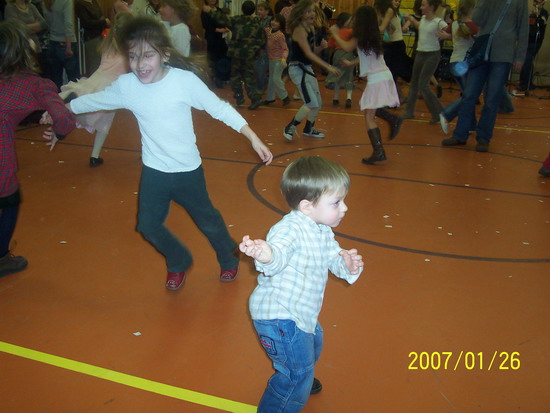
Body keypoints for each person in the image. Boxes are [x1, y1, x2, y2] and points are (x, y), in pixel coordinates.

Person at [68, 16, 273, 290]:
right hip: (155, 172)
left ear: (164, 55)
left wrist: (252, 136)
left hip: (188, 171)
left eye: (148, 56)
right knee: (147, 225)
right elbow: (93, 100)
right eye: (133, 57)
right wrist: (60, 110)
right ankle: (179, 259)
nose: (140, 64)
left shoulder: (183, 82)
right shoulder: (127, 86)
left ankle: (228, 256)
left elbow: (220, 108)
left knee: (208, 222)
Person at [240, 155, 363, 413]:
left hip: (301, 311)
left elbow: (332, 255)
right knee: (295, 377)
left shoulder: (321, 228)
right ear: (307, 206)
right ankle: (297, 379)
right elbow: (278, 254)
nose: (345, 208)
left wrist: (347, 265)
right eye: (337, 202)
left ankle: (302, 372)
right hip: (280, 317)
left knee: (315, 340)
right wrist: (266, 255)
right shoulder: (290, 229)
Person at [0, 20, 75, 277]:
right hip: (1, 162)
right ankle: (1, 258)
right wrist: (58, 131)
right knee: (9, 201)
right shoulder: (32, 84)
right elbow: (64, 118)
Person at [46, 12, 132, 167]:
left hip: (96, 79)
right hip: (111, 87)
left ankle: (63, 107)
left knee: (83, 97)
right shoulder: (129, 50)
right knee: (103, 122)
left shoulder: (108, 44)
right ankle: (94, 156)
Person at [441, 0, 528, 152]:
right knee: (469, 95)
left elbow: (523, 28)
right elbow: (477, 19)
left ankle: (483, 138)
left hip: (503, 54)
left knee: (492, 98)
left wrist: (520, 56)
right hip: (481, 52)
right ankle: (460, 135)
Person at [330, 5, 402, 164]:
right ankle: (392, 121)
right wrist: (352, 63)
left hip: (377, 78)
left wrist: (335, 33)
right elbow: (366, 56)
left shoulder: (360, 36)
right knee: (371, 109)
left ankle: (379, 151)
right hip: (383, 75)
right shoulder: (372, 35)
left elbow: (346, 46)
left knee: (369, 115)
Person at [283, 0, 340, 141]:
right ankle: (290, 126)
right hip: (297, 69)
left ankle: (308, 128)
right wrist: (328, 66)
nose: (312, 14)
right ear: (301, 14)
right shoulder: (299, 30)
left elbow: (310, 52)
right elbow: (308, 54)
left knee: (317, 103)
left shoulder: (311, 28)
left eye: (313, 11)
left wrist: (320, 48)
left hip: (306, 68)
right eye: (308, 11)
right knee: (310, 102)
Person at [206, 0, 266, 109]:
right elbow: (262, 40)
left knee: (235, 77)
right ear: (253, 11)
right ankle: (256, 99)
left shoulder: (237, 20)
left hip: (236, 54)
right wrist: (257, 50)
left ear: (242, 9)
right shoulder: (257, 23)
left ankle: (239, 97)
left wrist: (210, 11)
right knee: (249, 77)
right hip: (250, 55)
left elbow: (222, 19)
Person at [400, 0, 447, 124]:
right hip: (420, 53)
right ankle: (409, 112)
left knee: (423, 85)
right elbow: (419, 26)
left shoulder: (439, 22)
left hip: (432, 55)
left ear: (431, 7)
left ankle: (441, 112)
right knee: (414, 83)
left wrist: (446, 36)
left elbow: (450, 32)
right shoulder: (424, 19)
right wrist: (411, 19)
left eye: (423, 5)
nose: (421, 7)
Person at [438, 0, 478, 134]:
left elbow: (443, 33)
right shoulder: (472, 26)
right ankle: (447, 113)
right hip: (463, 64)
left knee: (468, 94)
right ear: (471, 9)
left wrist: (450, 36)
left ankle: (472, 125)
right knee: (470, 95)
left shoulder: (455, 23)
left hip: (454, 63)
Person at [377, 0, 413, 101]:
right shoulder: (387, 11)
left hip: (396, 46)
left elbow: (382, 29)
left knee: (398, 72)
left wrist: (368, 27)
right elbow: (391, 30)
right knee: (391, 73)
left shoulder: (390, 10)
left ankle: (396, 97)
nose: (397, 3)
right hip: (392, 45)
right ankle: (398, 96)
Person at [42, 0, 80, 90]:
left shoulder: (45, 2)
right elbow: (68, 24)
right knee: (74, 81)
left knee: (56, 81)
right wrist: (69, 47)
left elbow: (47, 23)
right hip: (67, 42)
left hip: (52, 42)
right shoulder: (67, 1)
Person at [512, 0, 547, 96]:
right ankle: (526, 83)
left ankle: (525, 84)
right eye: (534, 2)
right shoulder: (530, 14)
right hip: (528, 39)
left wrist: (538, 15)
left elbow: (542, 22)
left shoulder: (543, 12)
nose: (535, 3)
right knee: (526, 60)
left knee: (528, 60)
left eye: (537, 2)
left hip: (536, 40)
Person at [74, 0, 110, 76]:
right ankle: (94, 82)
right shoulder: (79, 4)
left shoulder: (94, 2)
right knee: (95, 65)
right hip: (91, 37)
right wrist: (103, 22)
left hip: (101, 35)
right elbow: (86, 23)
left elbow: (100, 16)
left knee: (101, 63)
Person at [326, 11, 354, 108]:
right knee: (349, 76)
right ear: (345, 21)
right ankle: (348, 98)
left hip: (337, 54)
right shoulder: (351, 31)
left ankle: (335, 98)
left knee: (337, 75)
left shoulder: (336, 32)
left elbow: (330, 45)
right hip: (349, 54)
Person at [200, 0, 229, 88]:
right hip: (211, 37)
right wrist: (218, 30)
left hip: (221, 38)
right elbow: (206, 25)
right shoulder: (205, 11)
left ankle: (222, 78)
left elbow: (224, 21)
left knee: (223, 57)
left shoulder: (219, 10)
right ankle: (214, 78)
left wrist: (225, 28)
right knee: (213, 58)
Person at [263, 13, 290, 106]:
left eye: (277, 21)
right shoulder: (268, 31)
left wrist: (284, 59)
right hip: (271, 60)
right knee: (271, 79)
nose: (273, 22)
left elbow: (285, 49)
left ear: (281, 24)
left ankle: (285, 97)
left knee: (275, 78)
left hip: (279, 60)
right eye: (273, 20)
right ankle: (270, 98)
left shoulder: (280, 35)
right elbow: (261, 29)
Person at [254, 1, 272, 92]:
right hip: (257, 48)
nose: (259, 12)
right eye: (258, 10)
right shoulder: (257, 20)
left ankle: (260, 89)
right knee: (256, 69)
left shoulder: (270, 21)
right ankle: (268, 82)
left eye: (261, 10)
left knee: (260, 69)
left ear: (267, 11)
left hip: (266, 48)